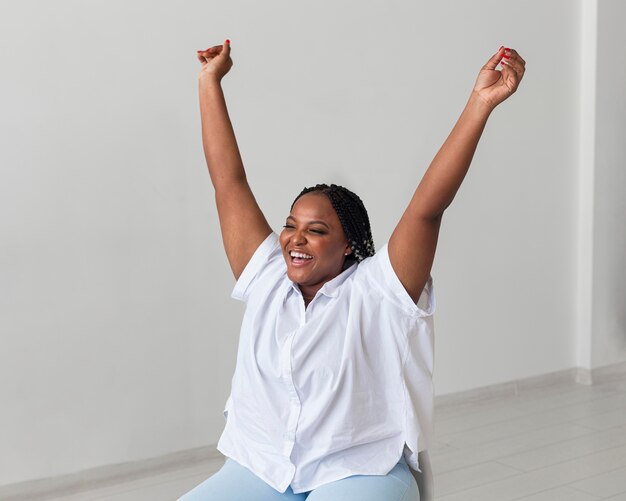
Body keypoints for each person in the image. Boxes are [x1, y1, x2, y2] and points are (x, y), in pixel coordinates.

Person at [179, 40, 525, 501]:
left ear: (349, 247)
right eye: (290, 226)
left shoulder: (379, 291)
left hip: (359, 470)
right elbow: (228, 181)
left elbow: (427, 208)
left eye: (316, 230)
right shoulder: (266, 278)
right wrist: (209, 83)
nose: (294, 239)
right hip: (262, 466)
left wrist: (479, 104)